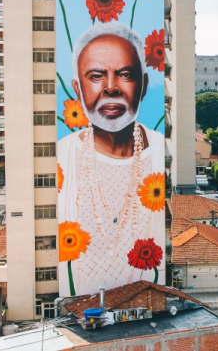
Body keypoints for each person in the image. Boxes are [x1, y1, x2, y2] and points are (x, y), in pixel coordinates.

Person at [58, 23, 167, 296]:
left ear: (142, 87)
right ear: (77, 88)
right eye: (96, 76)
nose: (110, 88)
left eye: (125, 75)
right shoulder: (63, 155)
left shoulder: (160, 150)